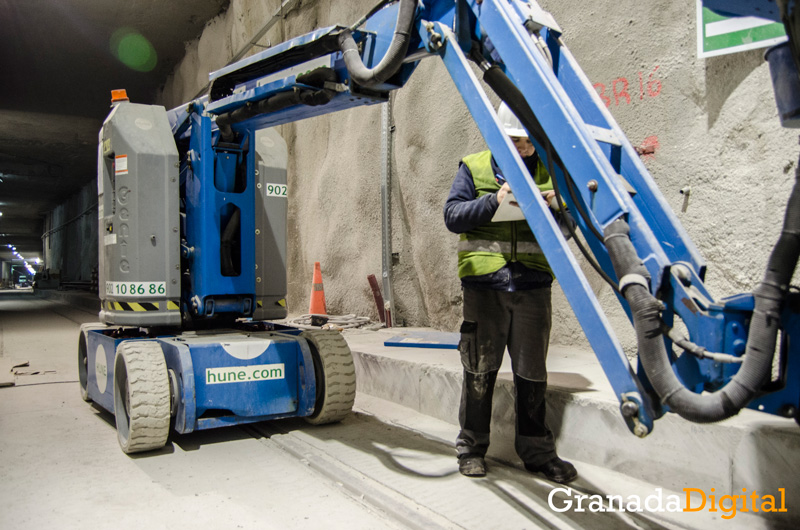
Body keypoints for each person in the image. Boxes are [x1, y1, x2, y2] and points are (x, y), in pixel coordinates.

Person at [443, 102, 578, 483]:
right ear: (500, 137)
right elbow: (452, 215)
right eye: (517, 140)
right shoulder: (474, 167)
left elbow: (569, 226)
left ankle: (537, 452)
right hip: (485, 286)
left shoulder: (551, 173)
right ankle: (471, 447)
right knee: (479, 368)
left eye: (529, 141)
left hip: (533, 285)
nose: (525, 147)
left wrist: (557, 212)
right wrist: (493, 202)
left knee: (532, 374)